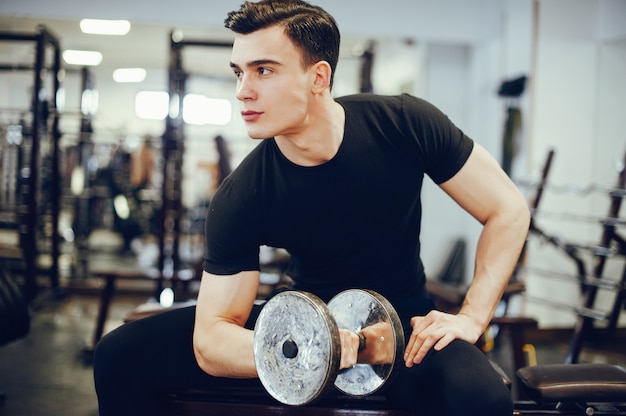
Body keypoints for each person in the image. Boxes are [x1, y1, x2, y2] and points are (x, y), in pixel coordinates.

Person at [93, 1, 530, 415]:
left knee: (482, 399)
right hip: (300, 325)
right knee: (119, 356)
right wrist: (319, 345)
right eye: (239, 73)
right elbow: (211, 338)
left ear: (318, 78)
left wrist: (472, 317)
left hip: (402, 333)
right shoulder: (243, 193)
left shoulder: (404, 124)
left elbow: (507, 209)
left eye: (263, 70)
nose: (243, 91)